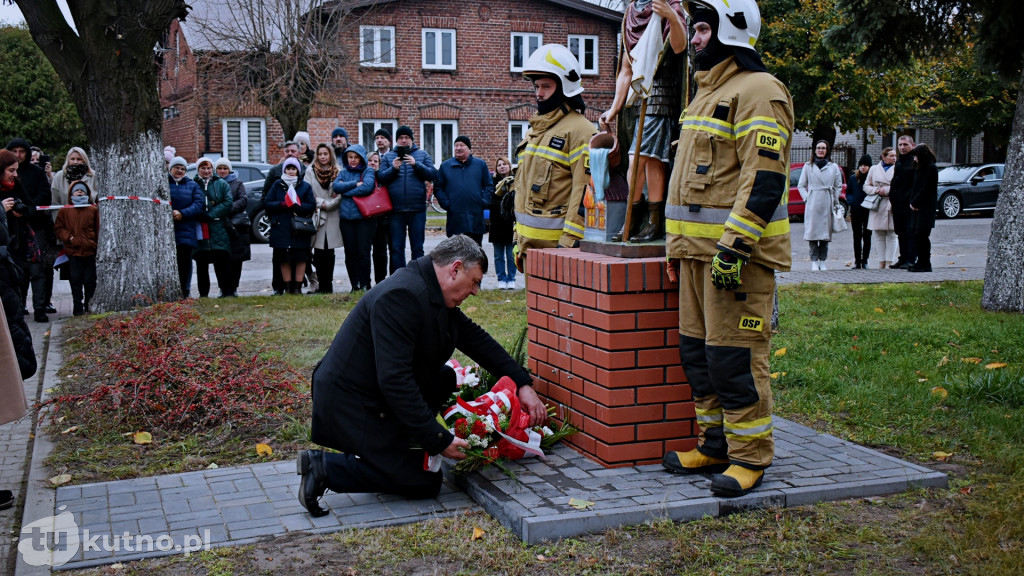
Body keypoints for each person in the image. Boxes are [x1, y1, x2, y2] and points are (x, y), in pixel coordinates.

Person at [298, 235, 547, 516]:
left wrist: (522, 383)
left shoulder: (429, 290)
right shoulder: (401, 296)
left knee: (443, 378)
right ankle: (324, 468)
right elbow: (395, 381)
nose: (476, 291)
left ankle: (397, 446)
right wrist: (438, 440)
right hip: (352, 406)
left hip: (374, 398)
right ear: (455, 269)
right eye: (475, 281)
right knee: (423, 482)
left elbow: (476, 340)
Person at [661, 0, 794, 498]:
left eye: (700, 29)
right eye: (694, 29)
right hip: (697, 258)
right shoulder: (703, 94)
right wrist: (676, 249)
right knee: (698, 357)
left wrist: (734, 249)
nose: (693, 39)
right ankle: (714, 445)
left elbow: (763, 180)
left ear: (732, 30)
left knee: (735, 359)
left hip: (735, 262)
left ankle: (750, 457)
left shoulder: (760, 91)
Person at [600, 0, 687, 243]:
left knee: (643, 159)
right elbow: (626, 69)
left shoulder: (670, 5)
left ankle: (648, 221)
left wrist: (670, 15)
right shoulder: (631, 13)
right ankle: (640, 220)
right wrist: (614, 108)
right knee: (644, 161)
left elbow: (680, 48)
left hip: (661, 93)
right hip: (638, 99)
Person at [512, 44, 595, 272]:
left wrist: (568, 246)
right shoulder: (534, 132)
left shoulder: (581, 132)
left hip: (559, 251)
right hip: (529, 249)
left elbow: (584, 193)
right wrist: (517, 240)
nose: (539, 93)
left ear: (565, 86)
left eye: (546, 86)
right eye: (537, 86)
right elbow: (521, 190)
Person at [377, 126, 437, 272]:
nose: (404, 141)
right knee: (397, 248)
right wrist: (393, 169)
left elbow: (433, 174)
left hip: (417, 209)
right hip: (395, 210)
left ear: (412, 139)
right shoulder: (389, 157)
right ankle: (400, 280)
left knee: (417, 248)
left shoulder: (422, 154)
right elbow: (380, 179)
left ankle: (418, 278)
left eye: (407, 138)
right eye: (400, 138)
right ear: (396, 141)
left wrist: (416, 164)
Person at [5, 139, 51, 321]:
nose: (18, 155)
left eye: (21, 151)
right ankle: (20, 306)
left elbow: (41, 197)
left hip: (33, 227)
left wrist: (24, 210)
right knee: (17, 271)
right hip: (10, 230)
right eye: (14, 151)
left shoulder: (36, 173)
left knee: (36, 269)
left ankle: (39, 308)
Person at [265, 158, 316, 294]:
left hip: (299, 228)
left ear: (298, 171)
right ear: (284, 170)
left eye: (293, 169)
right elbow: (268, 203)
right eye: (288, 169)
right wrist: (282, 204)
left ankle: (297, 288)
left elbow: (311, 205)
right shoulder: (277, 184)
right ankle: (287, 287)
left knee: (301, 258)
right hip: (281, 227)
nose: (291, 171)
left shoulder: (305, 186)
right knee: (283, 258)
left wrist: (297, 205)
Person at [262, 141, 306, 295]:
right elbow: (266, 198)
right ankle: (279, 287)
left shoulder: (305, 171)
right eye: (287, 151)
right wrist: (274, 215)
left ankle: (298, 285)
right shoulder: (275, 172)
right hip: (280, 221)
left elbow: (309, 199)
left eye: (293, 151)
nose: (290, 153)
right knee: (280, 257)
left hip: (299, 223)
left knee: (300, 255)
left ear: (299, 153)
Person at [434, 135, 494, 245]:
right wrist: (446, 203)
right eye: (456, 145)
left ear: (469, 149)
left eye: (462, 145)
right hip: (455, 217)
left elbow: (489, 185)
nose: (458, 148)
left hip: (475, 216)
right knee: (456, 252)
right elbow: (438, 187)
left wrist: (484, 201)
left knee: (475, 252)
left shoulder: (480, 164)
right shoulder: (446, 166)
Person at [333, 145, 377, 291]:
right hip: (346, 219)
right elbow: (336, 187)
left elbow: (368, 187)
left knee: (363, 252)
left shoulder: (368, 170)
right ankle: (354, 284)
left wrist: (346, 191)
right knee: (350, 254)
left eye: (355, 157)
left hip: (364, 218)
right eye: (350, 157)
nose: (352, 160)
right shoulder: (343, 172)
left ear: (361, 158)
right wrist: (354, 184)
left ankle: (365, 283)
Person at [53, 181, 98, 315]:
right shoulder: (65, 210)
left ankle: (89, 306)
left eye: (82, 190)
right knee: (75, 281)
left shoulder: (93, 209)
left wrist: (93, 242)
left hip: (90, 251)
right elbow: (59, 228)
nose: (79, 192)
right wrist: (69, 238)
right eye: (76, 190)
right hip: (73, 252)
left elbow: (98, 227)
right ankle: (77, 307)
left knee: (90, 281)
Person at [798, 140, 843, 271]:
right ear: (815, 150)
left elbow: (838, 185)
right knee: (812, 234)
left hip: (827, 201)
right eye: (818, 148)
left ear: (827, 150)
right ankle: (813, 261)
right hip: (813, 202)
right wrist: (807, 198)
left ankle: (822, 261)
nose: (821, 150)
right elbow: (801, 185)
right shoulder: (808, 166)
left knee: (825, 236)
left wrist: (833, 199)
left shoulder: (833, 166)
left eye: (823, 148)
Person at [191, 158, 233, 298]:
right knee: (201, 264)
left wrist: (211, 214)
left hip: (217, 226)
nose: (206, 171)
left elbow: (227, 202)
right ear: (198, 169)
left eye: (209, 168)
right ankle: (203, 294)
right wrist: (199, 213)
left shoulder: (221, 184)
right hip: (200, 226)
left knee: (221, 262)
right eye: (203, 168)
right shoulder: (193, 184)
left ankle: (226, 291)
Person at [305, 143, 342, 293]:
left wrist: (331, 204)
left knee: (329, 251)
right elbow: (308, 193)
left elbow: (341, 193)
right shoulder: (310, 171)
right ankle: (321, 284)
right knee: (318, 251)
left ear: (330, 155)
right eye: (320, 154)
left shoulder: (338, 171)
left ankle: (329, 285)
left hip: (334, 214)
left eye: (325, 154)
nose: (323, 157)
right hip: (317, 214)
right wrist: (323, 203)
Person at [168, 156, 205, 298]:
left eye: (182, 168)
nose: (179, 170)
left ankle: (185, 290)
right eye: (177, 167)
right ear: (171, 168)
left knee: (185, 263)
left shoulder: (192, 185)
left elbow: (198, 204)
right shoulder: (164, 183)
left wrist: (182, 213)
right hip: (169, 230)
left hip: (186, 229)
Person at [215, 158, 250, 297]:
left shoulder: (238, 183)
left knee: (236, 259)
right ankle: (223, 288)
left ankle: (233, 287)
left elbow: (243, 200)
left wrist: (227, 208)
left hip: (235, 225)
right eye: (220, 168)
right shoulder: (213, 183)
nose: (222, 171)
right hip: (218, 225)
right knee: (220, 258)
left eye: (225, 168)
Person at [863, 147, 897, 269]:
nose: (894, 158)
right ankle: (881, 261)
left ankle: (890, 261)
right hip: (877, 203)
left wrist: (886, 190)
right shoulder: (873, 169)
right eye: (891, 155)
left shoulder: (898, 168)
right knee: (879, 234)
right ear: (883, 157)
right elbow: (866, 186)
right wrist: (876, 190)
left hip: (891, 202)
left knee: (892, 234)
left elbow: (901, 186)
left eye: (895, 156)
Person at [907, 143, 937, 272]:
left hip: (925, 208)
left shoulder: (930, 168)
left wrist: (915, 202)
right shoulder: (920, 168)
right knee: (917, 235)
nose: (915, 159)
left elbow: (926, 188)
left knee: (922, 236)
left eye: (916, 157)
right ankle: (921, 261)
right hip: (918, 206)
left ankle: (925, 263)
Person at [889, 135, 917, 269]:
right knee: (900, 232)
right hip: (897, 203)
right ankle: (903, 257)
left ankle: (911, 259)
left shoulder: (914, 161)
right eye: (900, 145)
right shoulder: (899, 161)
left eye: (905, 144)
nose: (902, 147)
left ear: (912, 145)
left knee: (909, 231)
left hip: (908, 203)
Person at [490, 157, 517, 289]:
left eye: (504, 164)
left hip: (511, 222)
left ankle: (511, 278)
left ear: (509, 166)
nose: (502, 167)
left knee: (511, 254)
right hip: (497, 222)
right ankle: (501, 278)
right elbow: (491, 199)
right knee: (498, 254)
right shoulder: (493, 182)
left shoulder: (515, 180)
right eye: (499, 165)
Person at [366, 151, 390, 286]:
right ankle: (366, 282)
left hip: (382, 220)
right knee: (365, 252)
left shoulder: (383, 178)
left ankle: (380, 281)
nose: (373, 163)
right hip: (367, 219)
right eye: (370, 161)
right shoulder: (362, 177)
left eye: (376, 161)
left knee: (380, 253)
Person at [846, 154, 873, 268]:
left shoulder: (872, 179)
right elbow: (848, 192)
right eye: (861, 165)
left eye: (865, 165)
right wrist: (851, 201)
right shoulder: (853, 178)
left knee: (867, 236)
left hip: (868, 211)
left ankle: (865, 260)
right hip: (856, 210)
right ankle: (857, 260)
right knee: (856, 236)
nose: (863, 168)